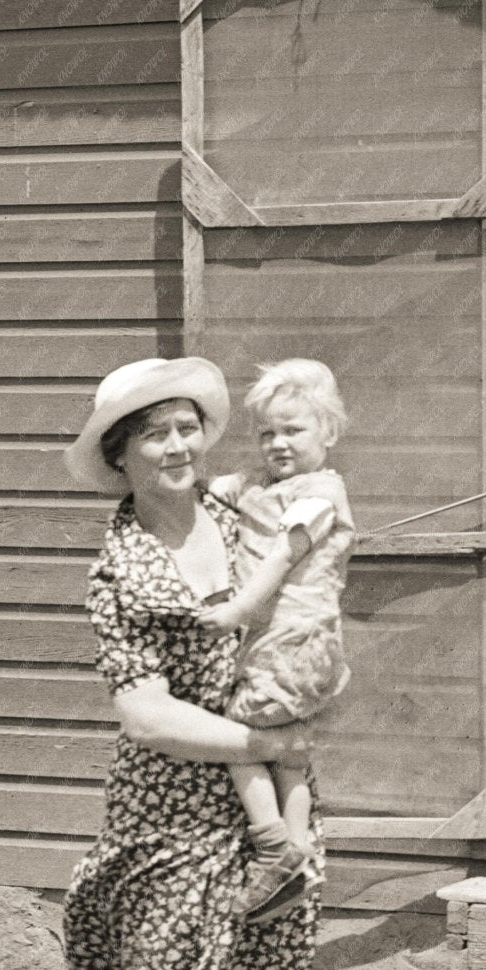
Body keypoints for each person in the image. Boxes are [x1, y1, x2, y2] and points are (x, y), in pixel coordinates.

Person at [57, 356, 320, 970]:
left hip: (277, 804)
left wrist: (293, 755)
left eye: (185, 428)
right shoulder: (119, 567)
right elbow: (144, 712)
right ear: (121, 456)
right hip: (168, 811)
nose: (175, 446)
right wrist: (262, 750)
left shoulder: (241, 512)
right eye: (153, 433)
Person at [200, 360, 356, 922]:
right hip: (281, 644)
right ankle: (299, 856)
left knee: (235, 735)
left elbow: (283, 555)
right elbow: (214, 489)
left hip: (293, 641)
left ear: (328, 434)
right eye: (267, 433)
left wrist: (238, 607)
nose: (278, 443)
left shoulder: (318, 496)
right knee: (288, 754)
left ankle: (272, 846)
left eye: (294, 430)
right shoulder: (261, 485)